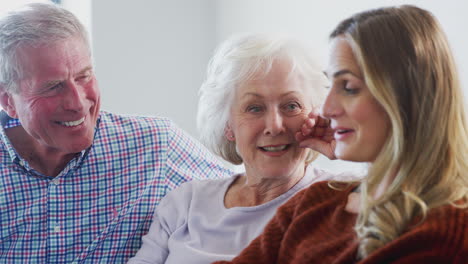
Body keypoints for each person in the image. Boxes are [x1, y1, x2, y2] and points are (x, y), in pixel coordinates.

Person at [214, 5, 468, 264]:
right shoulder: (315, 203)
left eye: (348, 87)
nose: (326, 109)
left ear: (408, 98)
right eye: (331, 84)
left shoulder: (448, 231)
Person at [0, 3, 232, 263]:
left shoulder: (156, 147)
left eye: (84, 76)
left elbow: (255, 198)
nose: (77, 102)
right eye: (54, 87)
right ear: (7, 99)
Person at [128, 33, 357, 264]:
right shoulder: (186, 202)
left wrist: (350, 146)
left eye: (291, 105)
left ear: (317, 114)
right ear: (228, 126)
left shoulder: (342, 196)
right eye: (255, 108)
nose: (275, 126)